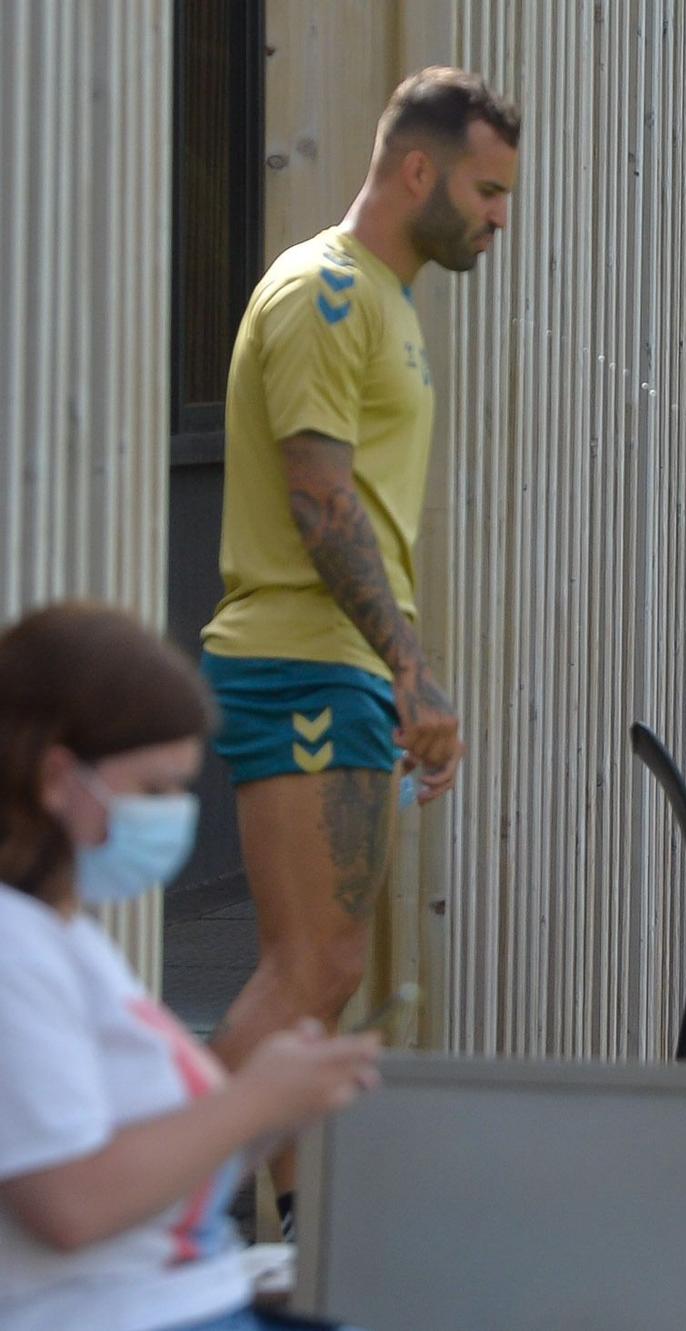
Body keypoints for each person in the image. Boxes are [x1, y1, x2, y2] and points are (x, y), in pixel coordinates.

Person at [199, 68, 518, 1233]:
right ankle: (124, 1225)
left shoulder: (387, 300)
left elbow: (366, 515)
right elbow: (320, 496)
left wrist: (403, 674)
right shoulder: (325, 292)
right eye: (487, 191)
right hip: (301, 661)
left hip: (340, 665)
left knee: (319, 980)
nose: (498, 217)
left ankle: (292, 1232)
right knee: (313, 969)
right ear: (418, 170)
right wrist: (408, 669)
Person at [0, 603, 381, 1331]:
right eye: (153, 789)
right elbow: (69, 1203)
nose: (176, 813)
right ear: (55, 776)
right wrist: (252, 1102)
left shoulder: (64, 935)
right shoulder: (14, 948)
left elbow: (158, 1189)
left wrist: (279, 1109)